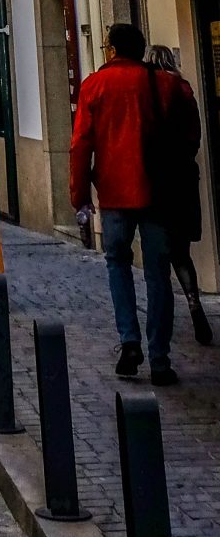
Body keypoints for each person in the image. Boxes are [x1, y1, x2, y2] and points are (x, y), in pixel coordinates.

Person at [70, 22, 201, 384]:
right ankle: (159, 358)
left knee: (118, 263)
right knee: (158, 272)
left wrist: (79, 195)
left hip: (114, 193)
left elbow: (80, 145)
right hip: (158, 193)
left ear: (112, 49)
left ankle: (129, 340)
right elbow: (190, 134)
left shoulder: (95, 85)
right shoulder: (165, 84)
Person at [147, 44, 213, 345]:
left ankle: (162, 320)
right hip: (184, 175)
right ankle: (193, 301)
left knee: (158, 255)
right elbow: (194, 136)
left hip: (157, 179)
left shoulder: (148, 91)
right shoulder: (184, 89)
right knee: (181, 251)